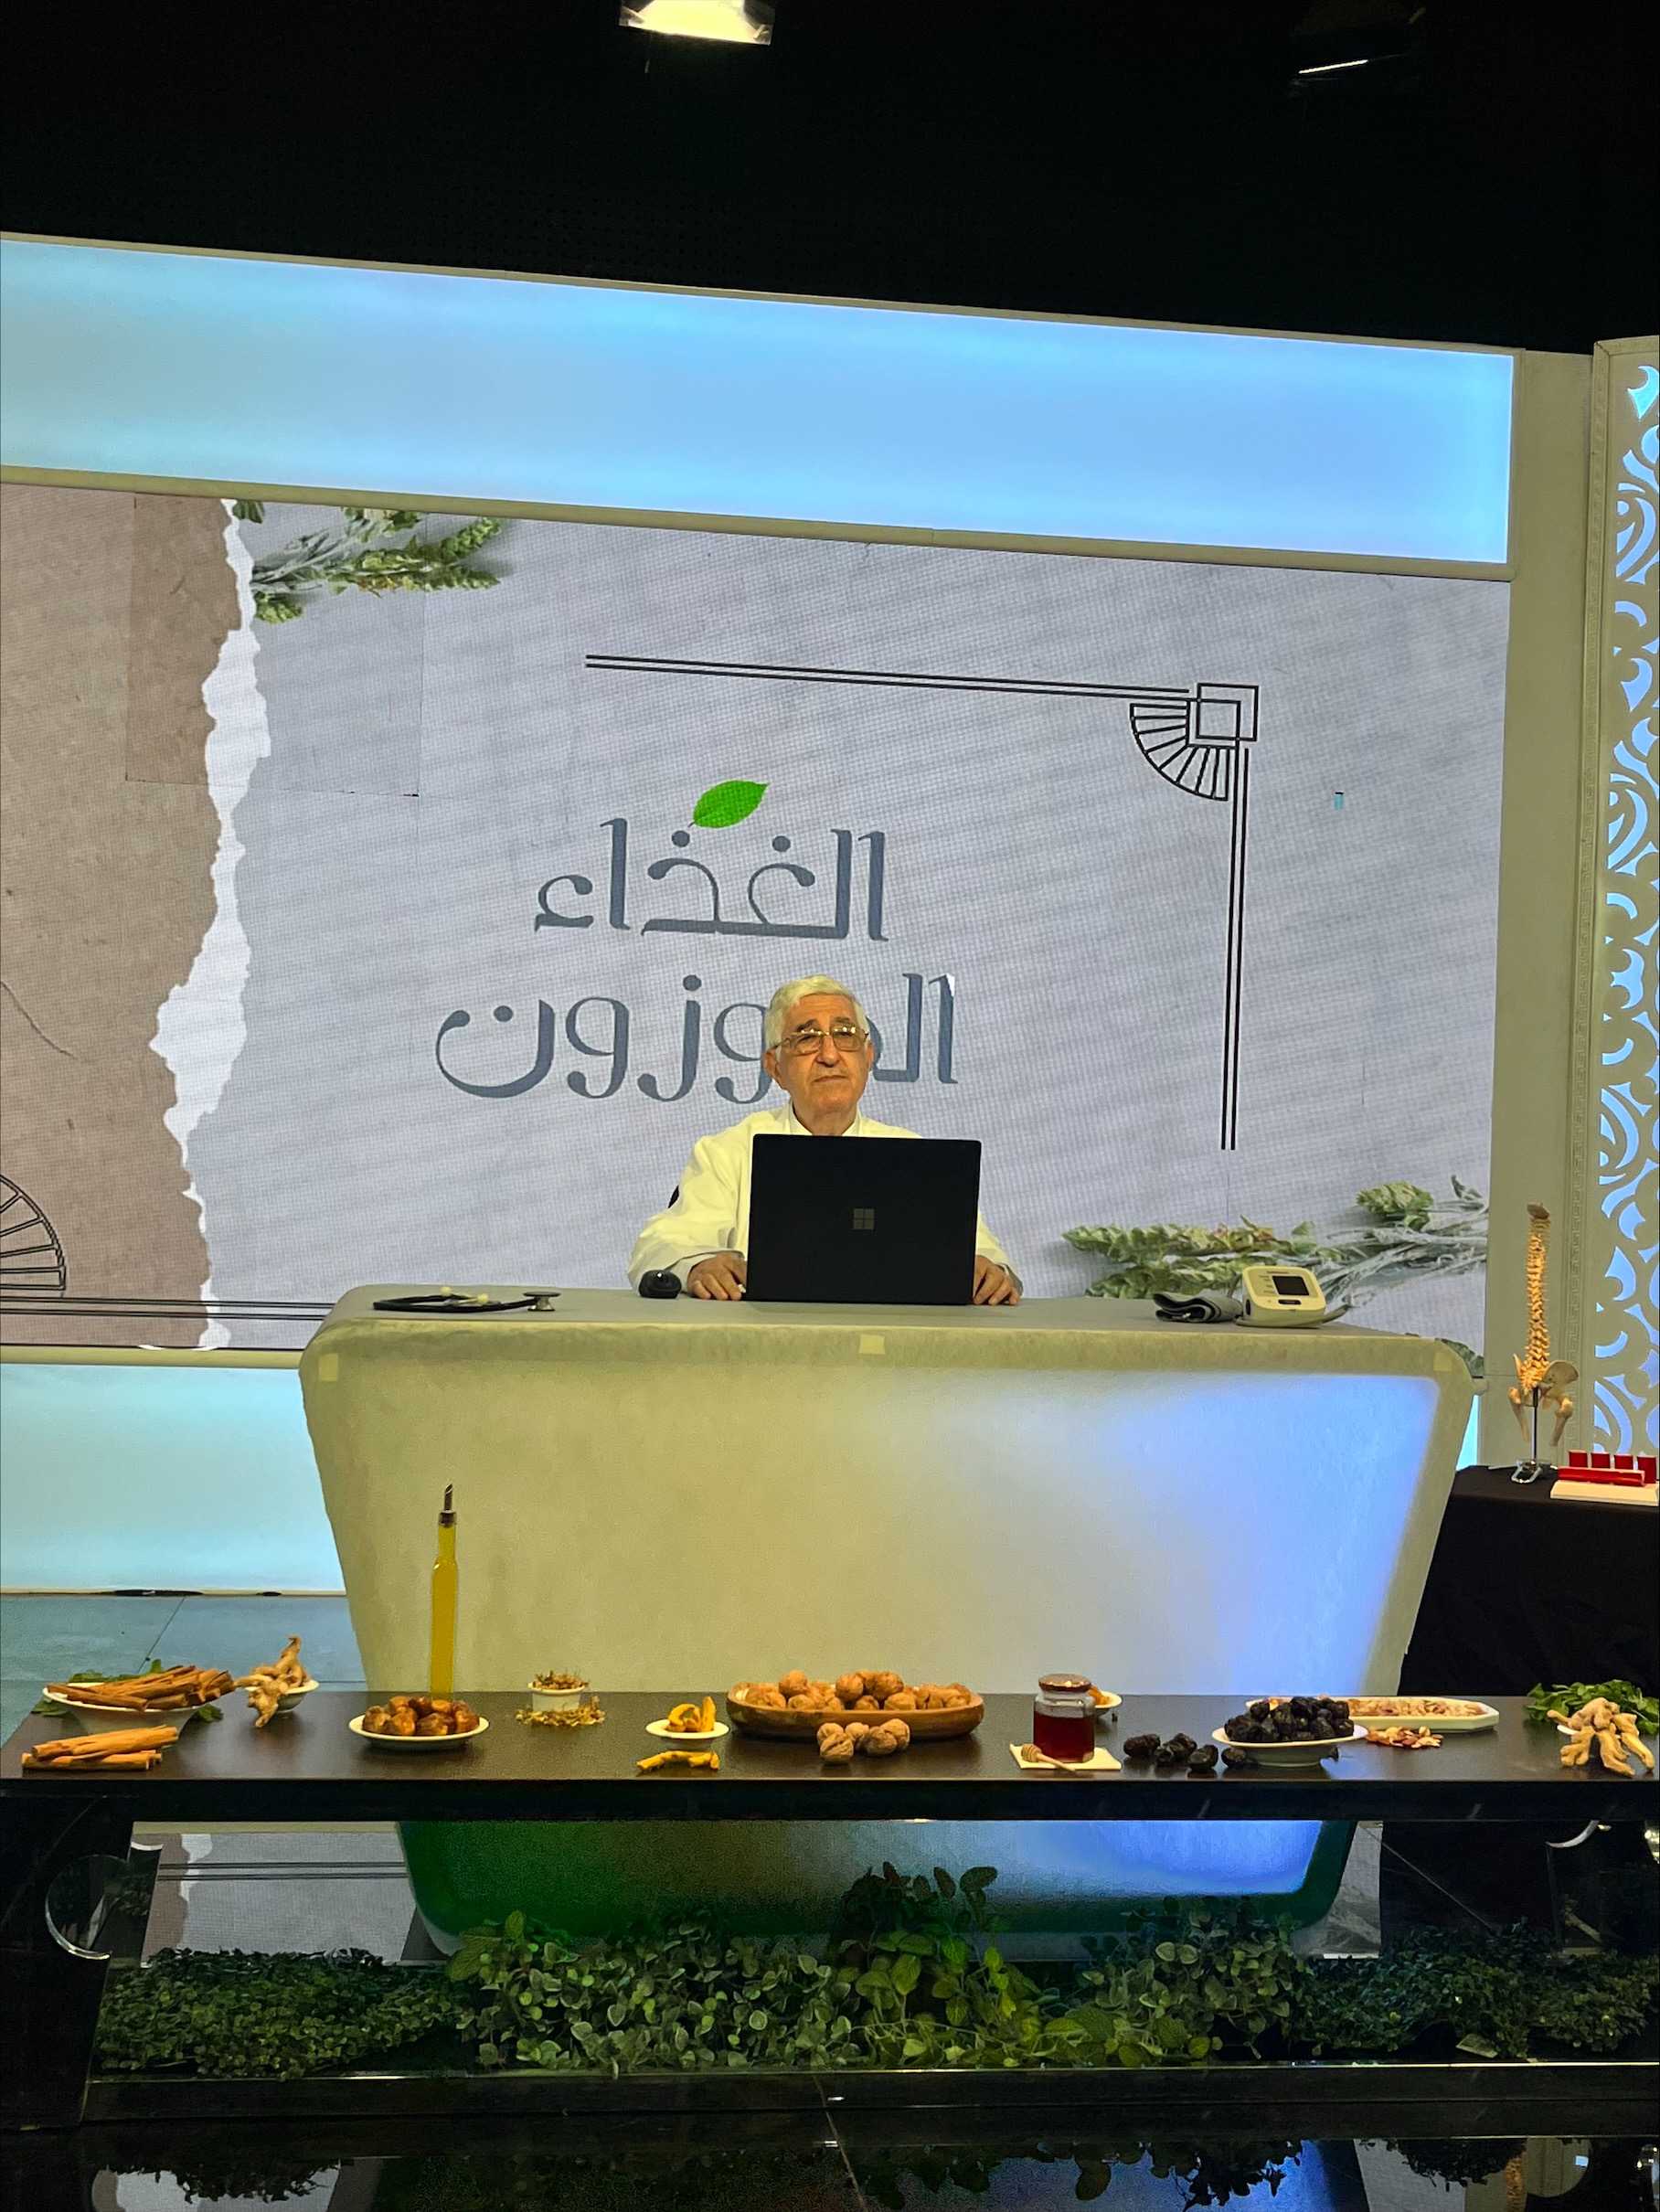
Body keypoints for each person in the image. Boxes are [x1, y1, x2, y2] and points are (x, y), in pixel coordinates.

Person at [628, 974, 1021, 1303]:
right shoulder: (729, 1152)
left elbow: (985, 1258)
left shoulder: (915, 1158)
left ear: (868, 1056)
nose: (829, 1055)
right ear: (775, 1068)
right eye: (806, 1039)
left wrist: (988, 1272)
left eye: (845, 1035)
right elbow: (659, 1248)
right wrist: (697, 1265)